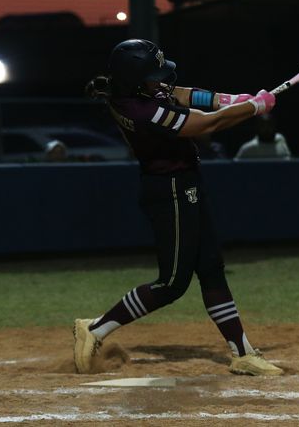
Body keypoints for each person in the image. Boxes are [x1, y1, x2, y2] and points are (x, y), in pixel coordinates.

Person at [77, 39, 282, 376]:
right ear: (135, 80)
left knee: (212, 267)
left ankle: (242, 352)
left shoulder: (143, 92)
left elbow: (183, 94)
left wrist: (226, 99)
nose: (162, 80)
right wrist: (253, 109)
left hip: (186, 183)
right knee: (172, 282)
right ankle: (95, 329)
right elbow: (206, 125)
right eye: (154, 75)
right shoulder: (141, 110)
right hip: (168, 189)